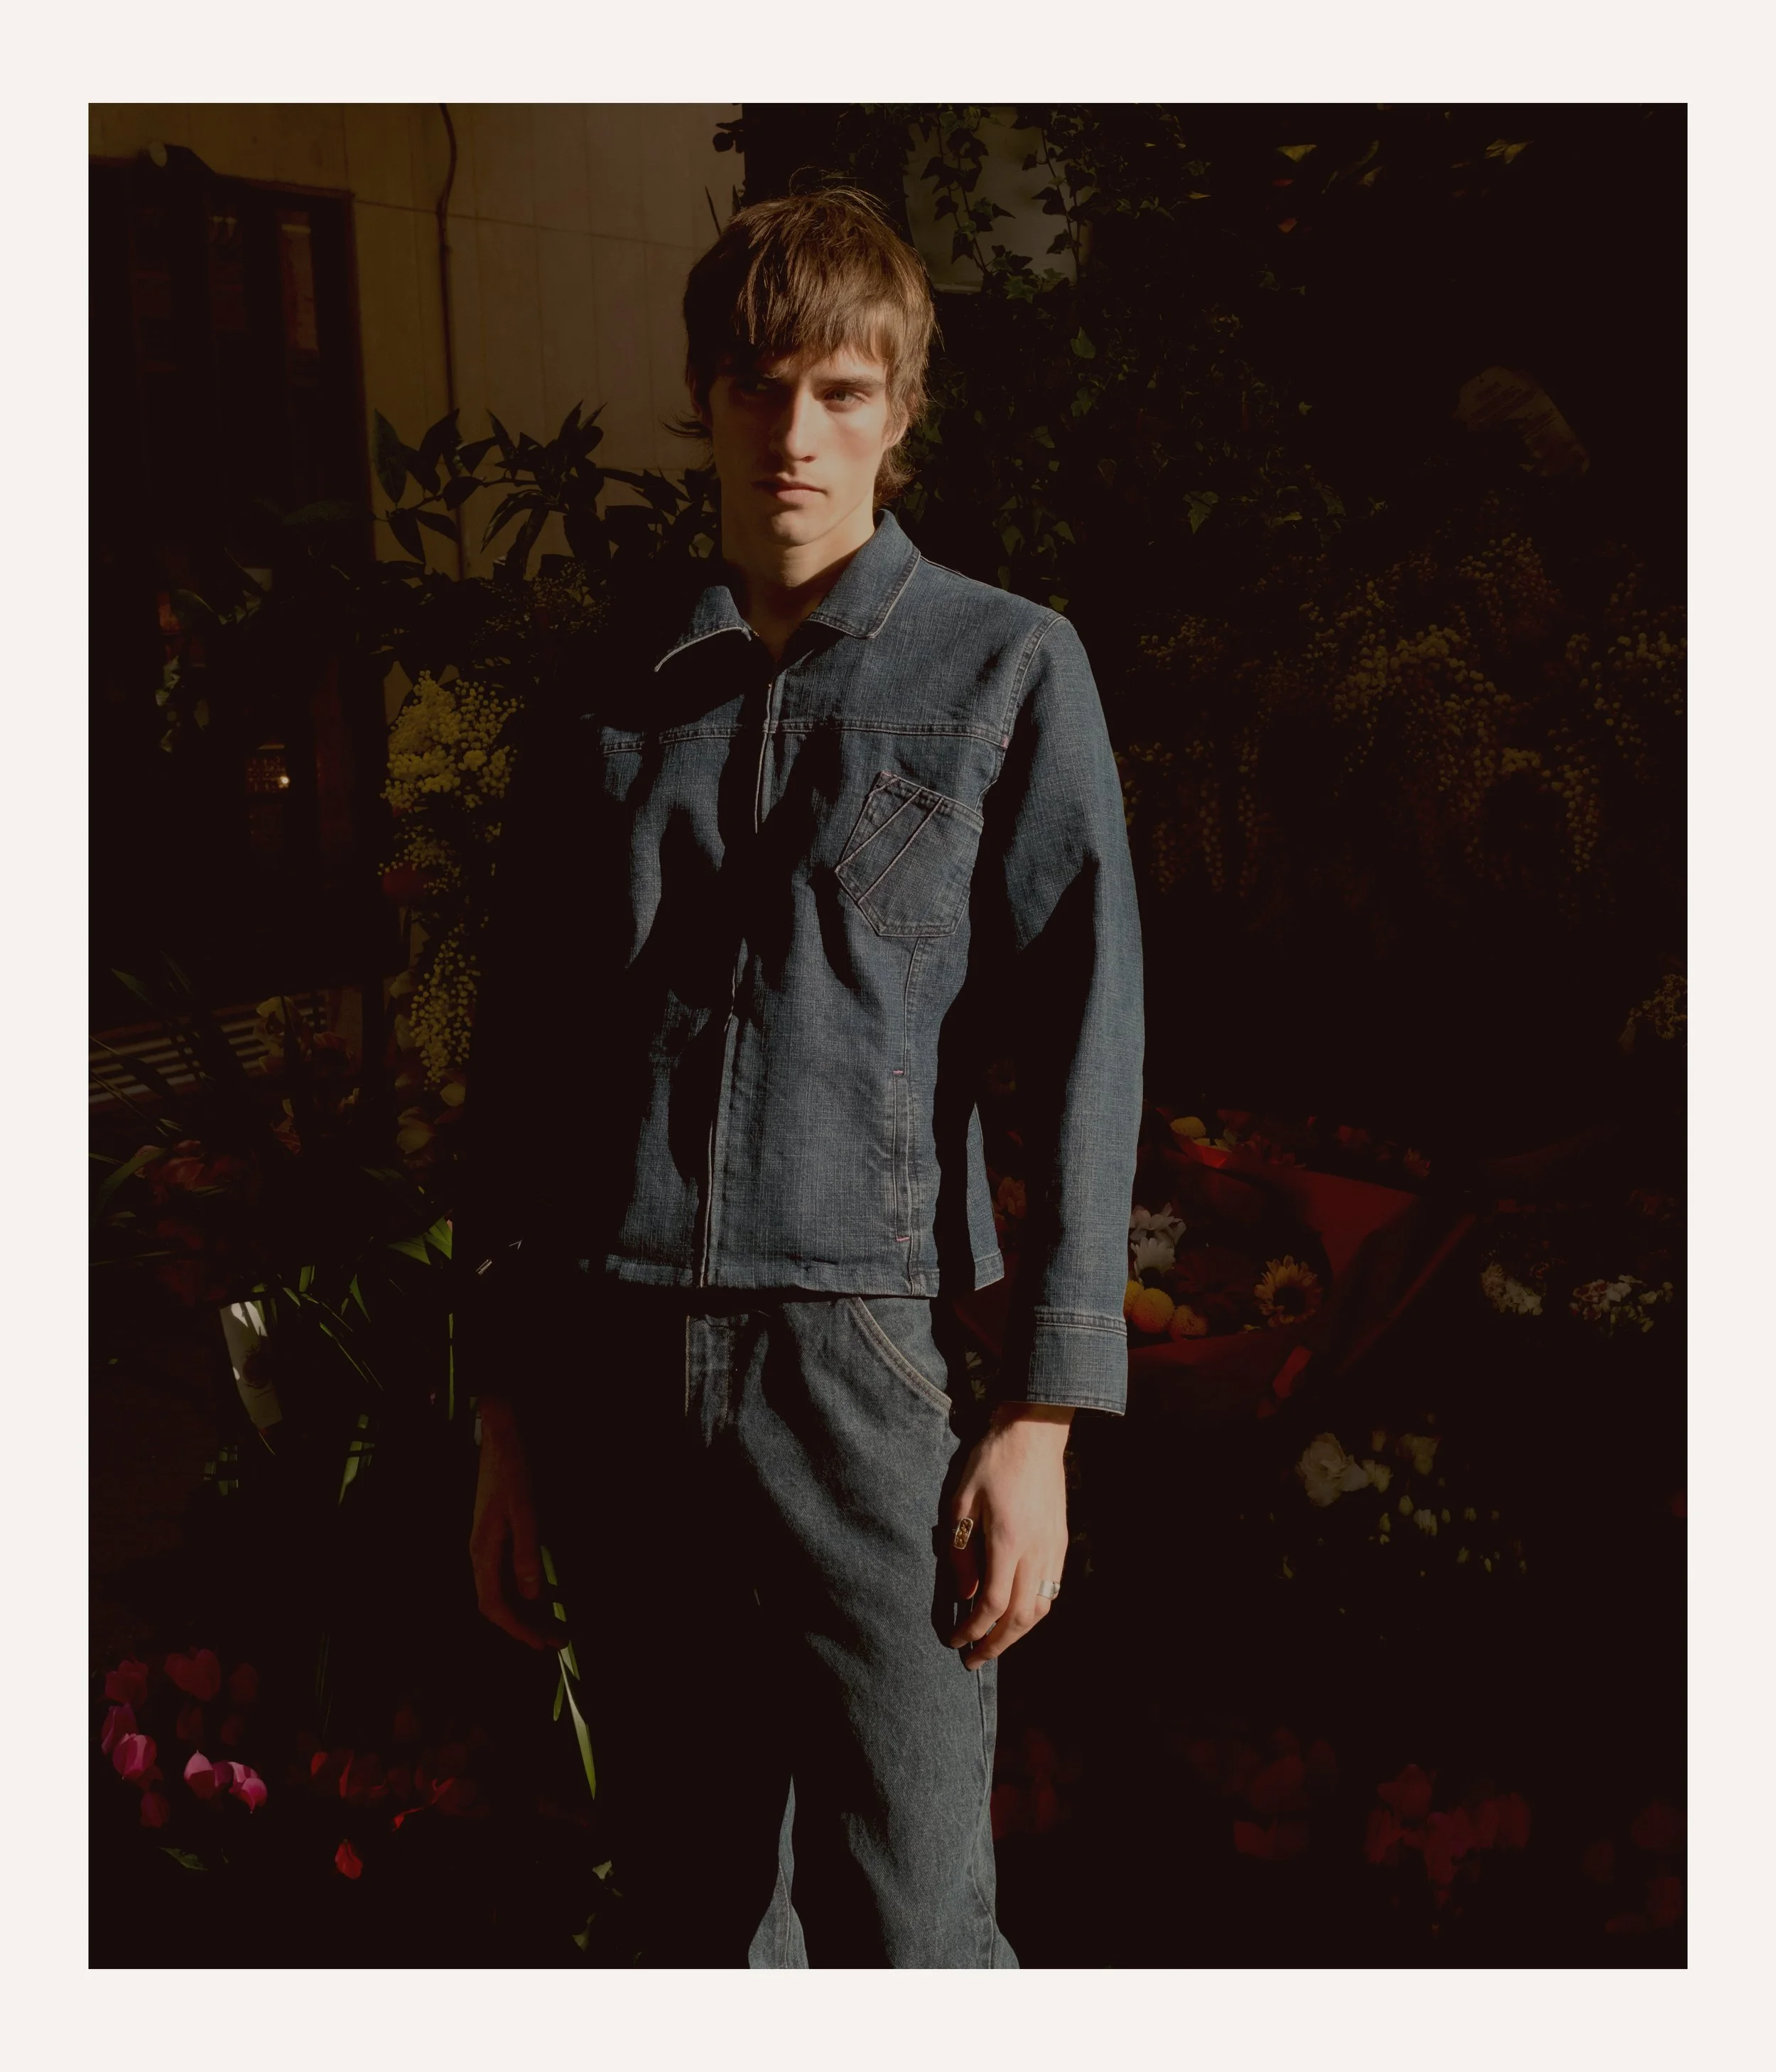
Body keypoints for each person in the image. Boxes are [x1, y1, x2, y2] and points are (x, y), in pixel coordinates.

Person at [455, 185, 1144, 1967]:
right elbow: (519, 1067)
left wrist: (1043, 1416)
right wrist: (508, 1412)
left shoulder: (1004, 666)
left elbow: (1087, 1038)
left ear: (897, 411)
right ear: (703, 397)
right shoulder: (605, 691)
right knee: (687, 1917)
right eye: (758, 387)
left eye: (839, 391)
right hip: (613, 1363)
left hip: (864, 1367)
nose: (794, 434)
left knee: (911, 1919)